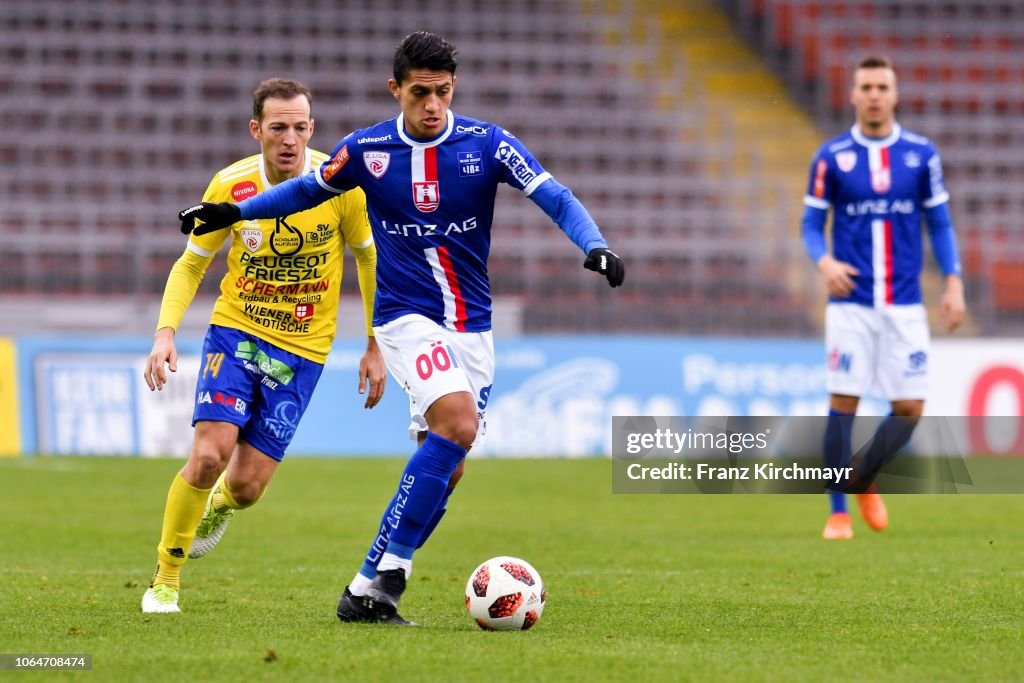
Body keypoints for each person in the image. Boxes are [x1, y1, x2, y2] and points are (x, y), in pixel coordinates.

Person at [178, 31, 624, 624]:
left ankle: (370, 590)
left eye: (442, 92)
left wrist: (593, 243)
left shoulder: (488, 143)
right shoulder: (367, 150)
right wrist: (235, 212)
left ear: (453, 89)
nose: (433, 104)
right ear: (397, 90)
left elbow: (555, 196)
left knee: (450, 462)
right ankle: (383, 578)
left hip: (472, 325)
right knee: (458, 423)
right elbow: (306, 191)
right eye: (420, 92)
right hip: (405, 317)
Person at [141, 78, 385, 613]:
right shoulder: (230, 186)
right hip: (237, 331)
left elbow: (368, 260)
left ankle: (220, 508)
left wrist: (374, 342)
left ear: (312, 130)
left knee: (247, 486)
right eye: (278, 128)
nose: (290, 139)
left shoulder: (341, 186)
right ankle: (166, 579)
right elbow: (192, 263)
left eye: (300, 127)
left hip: (303, 350)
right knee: (208, 456)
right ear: (257, 130)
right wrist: (165, 332)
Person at [801, 56, 966, 540]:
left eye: (882, 86)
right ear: (852, 95)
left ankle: (863, 477)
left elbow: (939, 223)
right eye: (866, 86)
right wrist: (824, 262)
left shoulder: (920, 154)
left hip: (905, 302)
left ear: (895, 95)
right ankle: (837, 512)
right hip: (851, 302)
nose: (874, 94)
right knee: (843, 402)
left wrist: (953, 281)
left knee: (911, 408)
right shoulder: (831, 156)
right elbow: (811, 223)